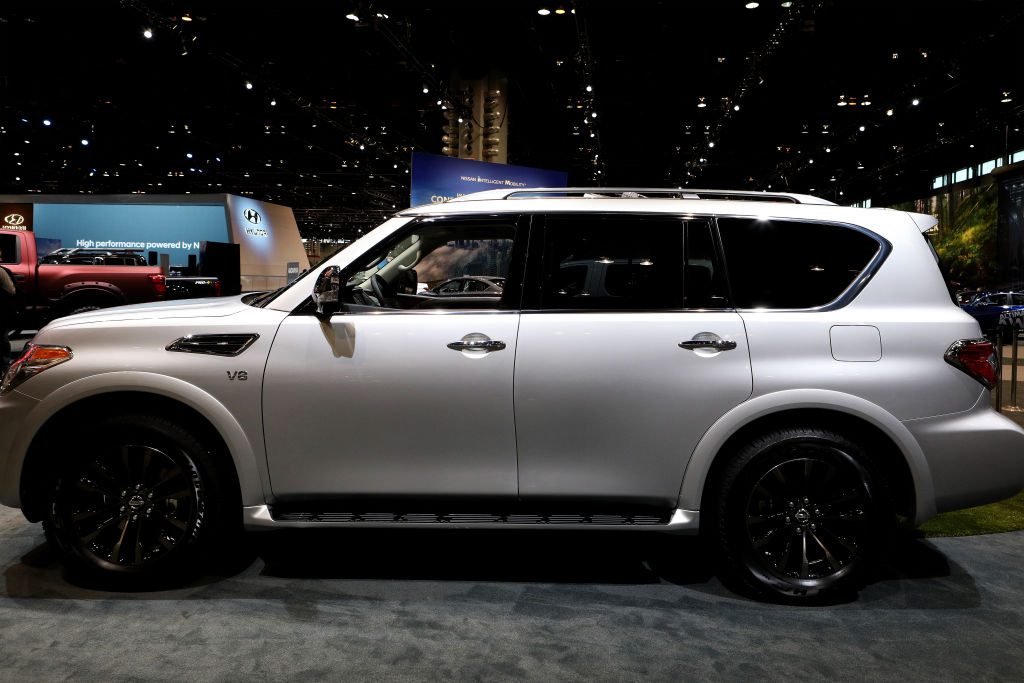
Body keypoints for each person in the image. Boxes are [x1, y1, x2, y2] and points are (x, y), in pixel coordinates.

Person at [0, 247, 16, 374]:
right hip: (2, 311)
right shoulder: (2, 271)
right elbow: (11, 291)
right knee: (2, 337)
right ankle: (5, 365)